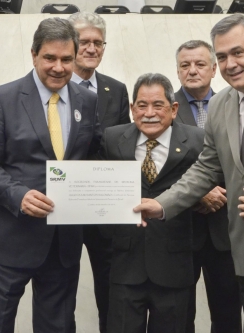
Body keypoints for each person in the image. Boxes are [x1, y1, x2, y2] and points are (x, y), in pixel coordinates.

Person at [134, 14, 244, 333]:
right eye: (221, 56)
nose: (229, 63)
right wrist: (162, 205)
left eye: (238, 52)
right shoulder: (221, 105)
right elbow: (207, 167)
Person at [0, 17, 102, 333]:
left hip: (62, 243)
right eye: (50, 58)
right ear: (33, 55)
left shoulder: (87, 99)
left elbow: (90, 158)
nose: (58, 67)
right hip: (9, 238)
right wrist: (19, 195)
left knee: (58, 326)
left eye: (66, 59)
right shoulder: (0, 98)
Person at [99, 73, 205, 333]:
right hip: (125, 263)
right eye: (141, 106)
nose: (149, 113)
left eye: (158, 105)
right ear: (132, 108)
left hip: (174, 263)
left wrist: (207, 192)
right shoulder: (112, 139)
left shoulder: (196, 140)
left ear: (173, 108)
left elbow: (211, 177)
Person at [68, 12, 131, 333]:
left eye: (98, 42)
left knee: (110, 290)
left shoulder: (116, 90)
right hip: (63, 206)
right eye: (84, 42)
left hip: (105, 208)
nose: (91, 48)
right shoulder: (55, 84)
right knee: (61, 291)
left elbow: (120, 148)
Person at [174, 40, 241, 333]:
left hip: (226, 228)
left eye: (200, 64)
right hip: (181, 228)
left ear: (214, 68)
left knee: (227, 314)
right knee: (179, 314)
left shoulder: (237, 103)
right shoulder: (164, 107)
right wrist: (199, 191)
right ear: (177, 71)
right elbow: (155, 165)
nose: (192, 71)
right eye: (185, 65)